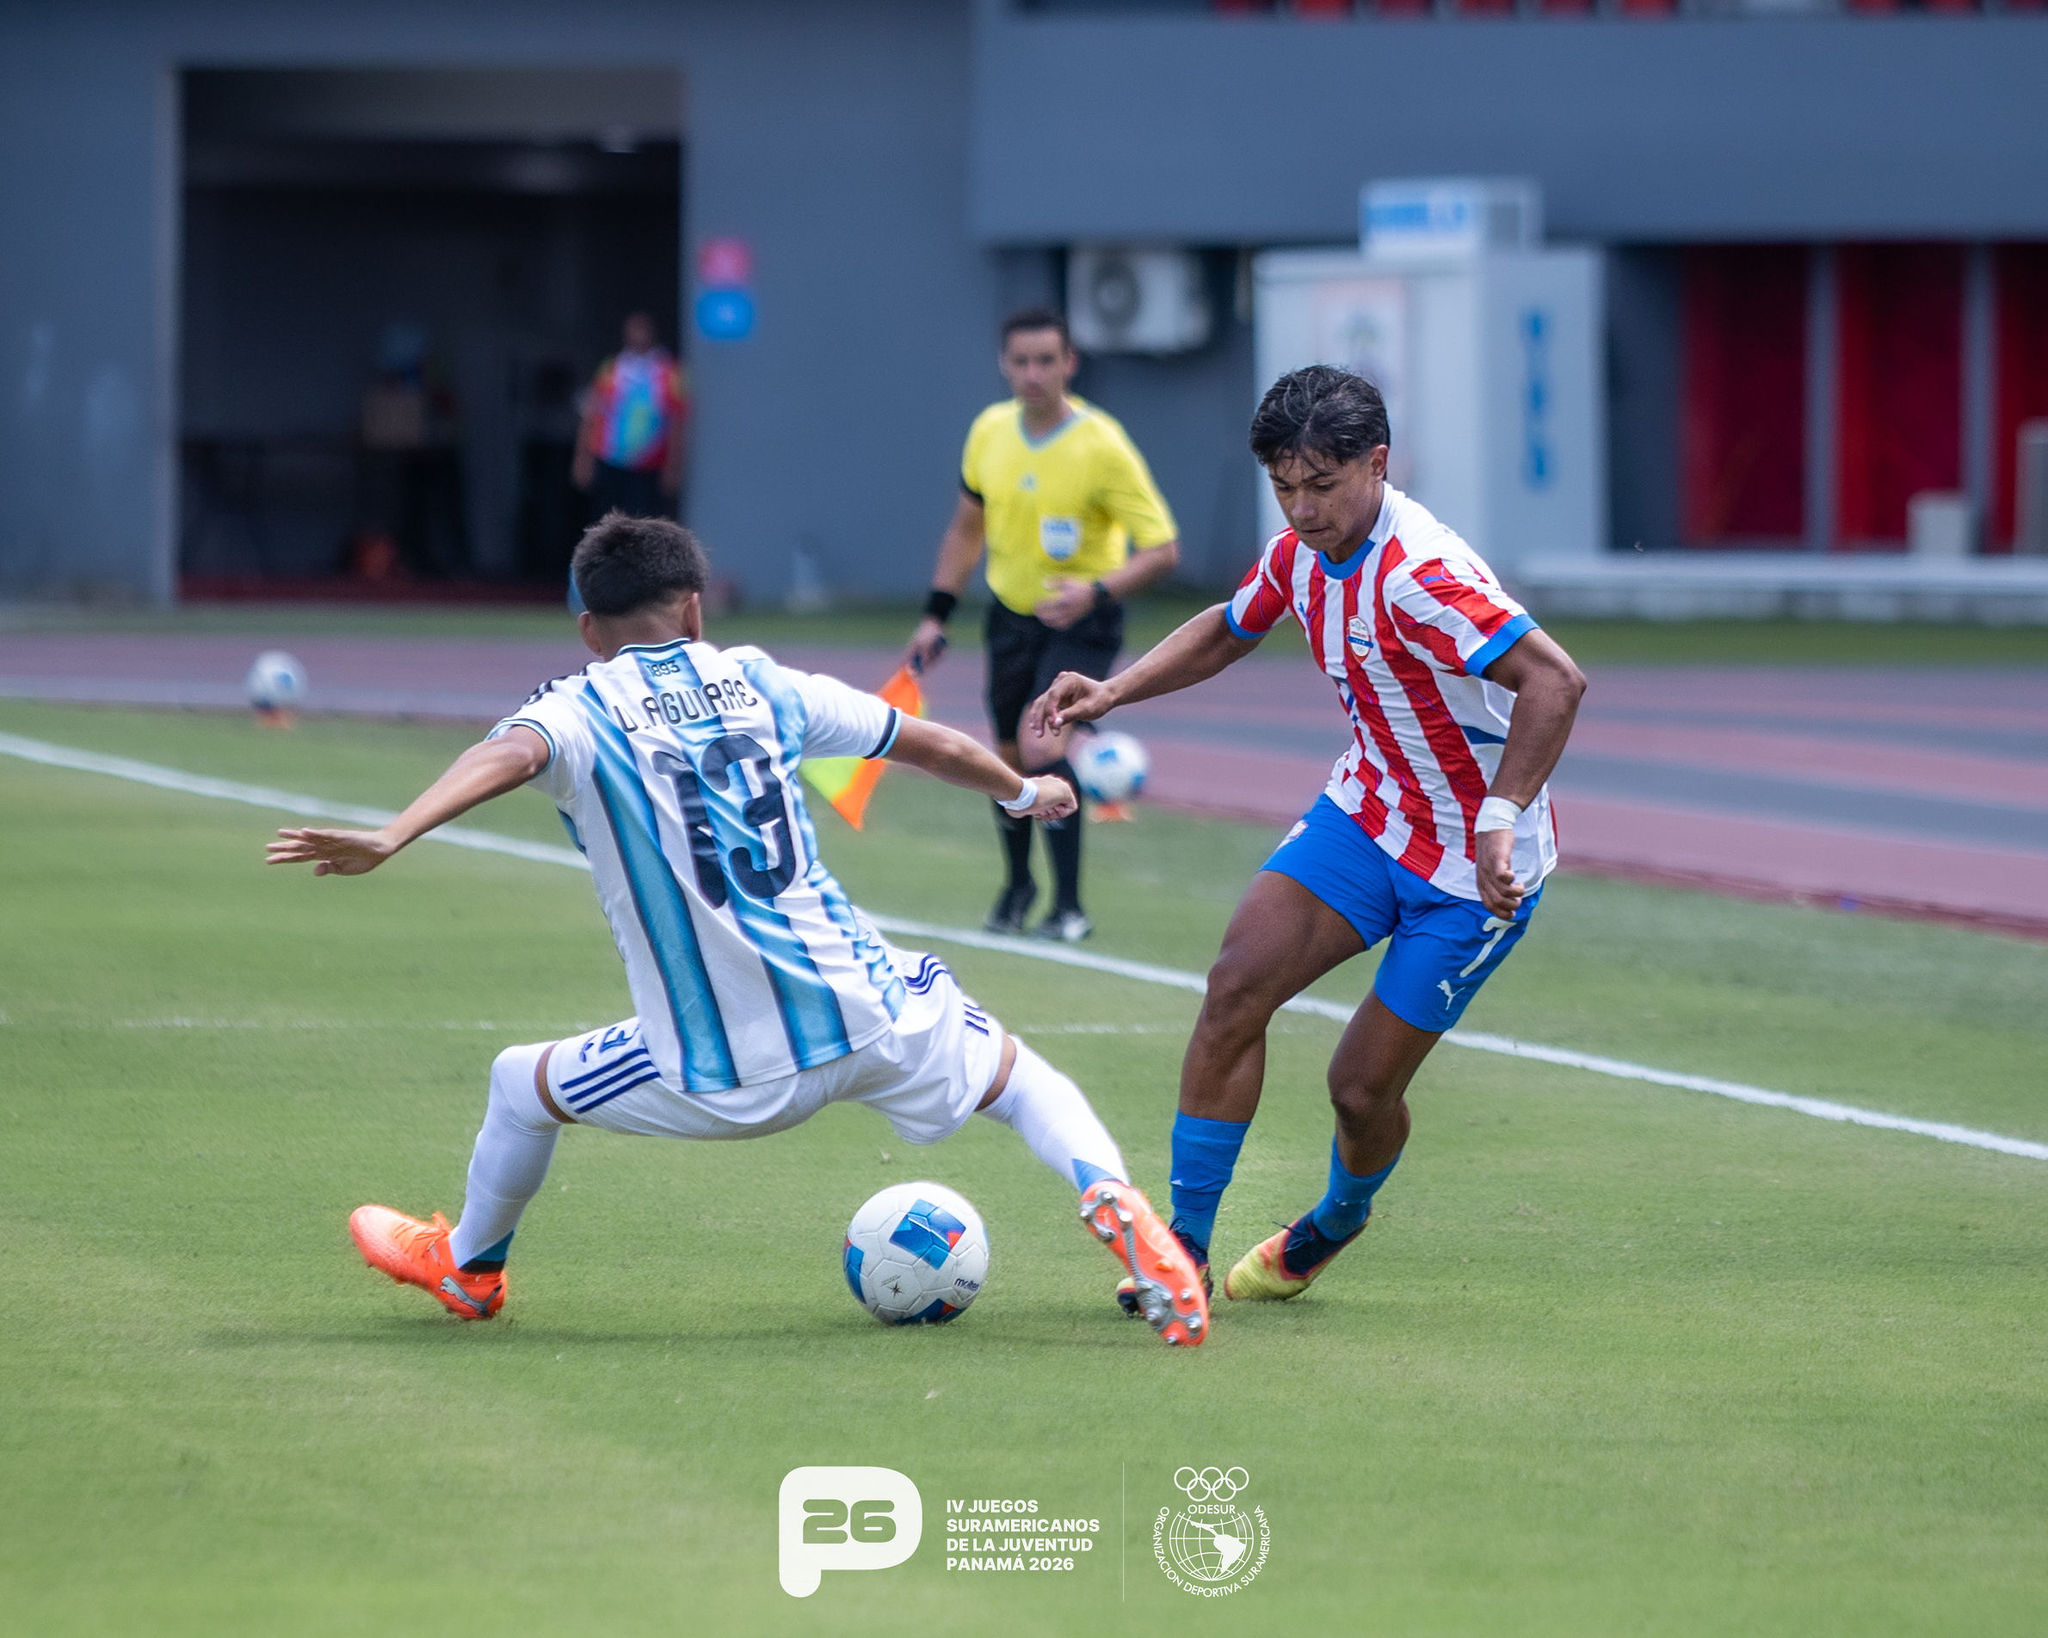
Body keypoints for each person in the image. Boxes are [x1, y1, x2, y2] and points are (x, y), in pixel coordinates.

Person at [266, 513, 1209, 1347]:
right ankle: (1111, 1195)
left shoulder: (577, 707)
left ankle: (470, 1270)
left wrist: (394, 832)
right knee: (1024, 1082)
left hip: (726, 1063)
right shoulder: (761, 681)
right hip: (872, 1009)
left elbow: (508, 755)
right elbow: (928, 742)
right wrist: (1024, 791)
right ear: (694, 609)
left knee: (521, 1086)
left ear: (589, 629)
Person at [1030, 366, 1586, 1309]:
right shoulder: (1299, 553)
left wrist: (1501, 818)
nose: (1301, 509)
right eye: (1284, 487)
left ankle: (1337, 1218)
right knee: (1235, 986)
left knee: (1359, 1092)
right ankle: (1182, 1252)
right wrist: (1113, 690)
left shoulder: (1422, 575)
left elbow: (1556, 681)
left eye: (1321, 486)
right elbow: (1230, 627)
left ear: (1378, 463)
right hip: (1368, 814)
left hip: (1472, 870)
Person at [906, 307, 1180, 943]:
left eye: (1046, 360)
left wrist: (1095, 590)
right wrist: (935, 615)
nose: (1033, 373)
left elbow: (1162, 549)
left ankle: (1070, 906)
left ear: (1069, 364)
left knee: (1042, 746)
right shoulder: (989, 432)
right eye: (1021, 361)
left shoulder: (1102, 445)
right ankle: (1017, 887)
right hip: (1010, 618)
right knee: (1005, 757)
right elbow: (966, 529)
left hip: (1083, 624)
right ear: (1004, 365)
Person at [572, 312, 688, 520]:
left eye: (642, 330)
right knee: (606, 519)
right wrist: (583, 457)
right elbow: (592, 413)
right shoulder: (612, 368)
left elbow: (677, 421)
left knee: (641, 521)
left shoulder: (668, 372)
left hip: (648, 463)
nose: (638, 336)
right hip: (610, 458)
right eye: (634, 330)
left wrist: (673, 466)